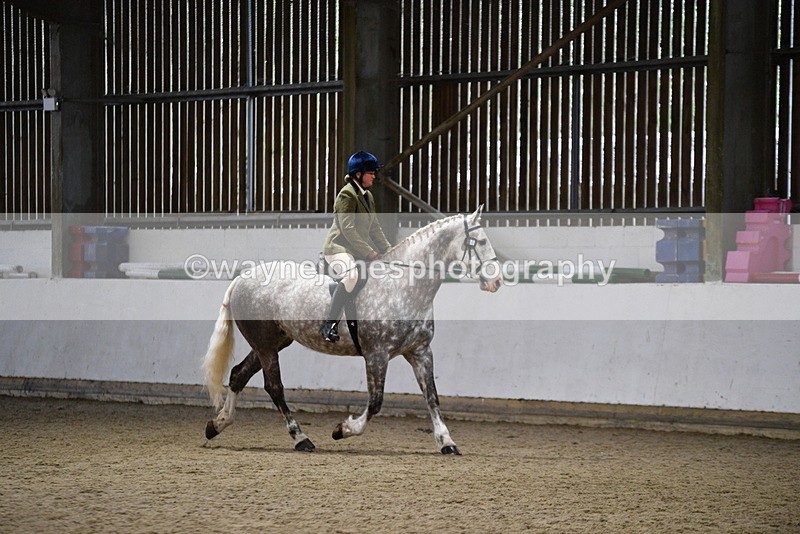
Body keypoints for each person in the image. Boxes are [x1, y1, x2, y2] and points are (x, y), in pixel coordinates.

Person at [320, 151, 392, 342]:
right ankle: (329, 324)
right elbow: (348, 229)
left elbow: (375, 227)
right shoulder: (347, 195)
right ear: (358, 174)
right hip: (337, 249)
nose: (374, 176)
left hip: (355, 251)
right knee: (352, 275)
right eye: (371, 172)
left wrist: (390, 250)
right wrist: (369, 251)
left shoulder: (367, 196)